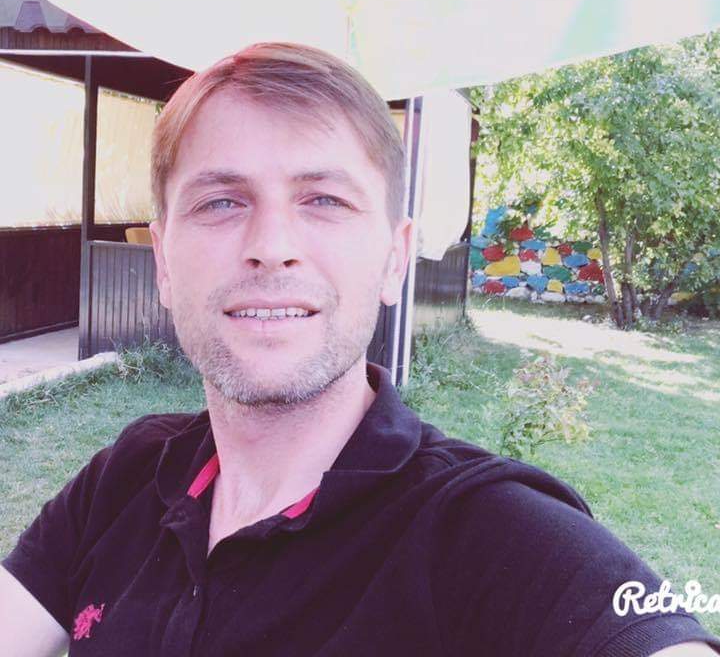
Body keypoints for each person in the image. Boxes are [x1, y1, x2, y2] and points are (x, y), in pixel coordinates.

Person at [1, 43, 718, 657]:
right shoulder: (125, 480)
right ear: (162, 260)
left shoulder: (487, 534)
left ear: (394, 258)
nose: (271, 246)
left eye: (324, 200)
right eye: (221, 201)